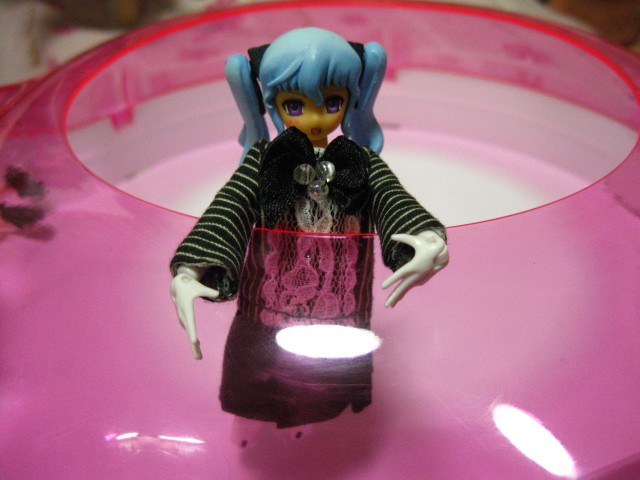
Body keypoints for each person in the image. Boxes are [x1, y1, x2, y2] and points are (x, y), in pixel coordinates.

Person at [169, 28, 448, 428]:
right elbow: (229, 206)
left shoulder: (359, 161)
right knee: (268, 380)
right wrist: (193, 267)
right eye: (295, 105)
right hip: (269, 305)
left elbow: (393, 198)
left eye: (332, 102)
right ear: (272, 105)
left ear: (351, 100)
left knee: (326, 386)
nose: (316, 118)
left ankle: (323, 424)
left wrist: (426, 238)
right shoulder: (266, 160)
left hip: (341, 307)